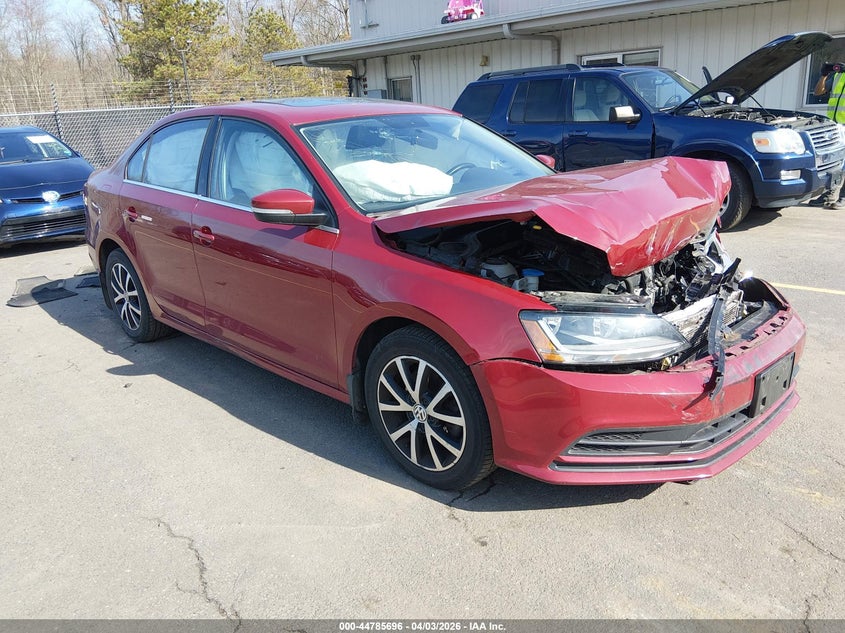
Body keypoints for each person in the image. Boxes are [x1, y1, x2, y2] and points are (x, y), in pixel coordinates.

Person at [812, 62, 845, 209]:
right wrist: (824, 75)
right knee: (832, 162)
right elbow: (818, 92)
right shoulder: (838, 75)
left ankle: (843, 197)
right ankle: (828, 194)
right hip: (834, 126)